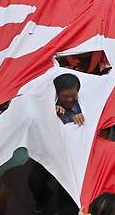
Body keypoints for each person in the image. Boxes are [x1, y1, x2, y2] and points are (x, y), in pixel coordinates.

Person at [29, 74, 83, 214]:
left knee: (66, 192)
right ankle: (43, 199)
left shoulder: (85, 105)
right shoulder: (47, 105)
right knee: (35, 181)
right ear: (57, 94)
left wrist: (76, 117)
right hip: (50, 153)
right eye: (66, 96)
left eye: (74, 95)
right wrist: (50, 113)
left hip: (73, 158)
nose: (70, 99)